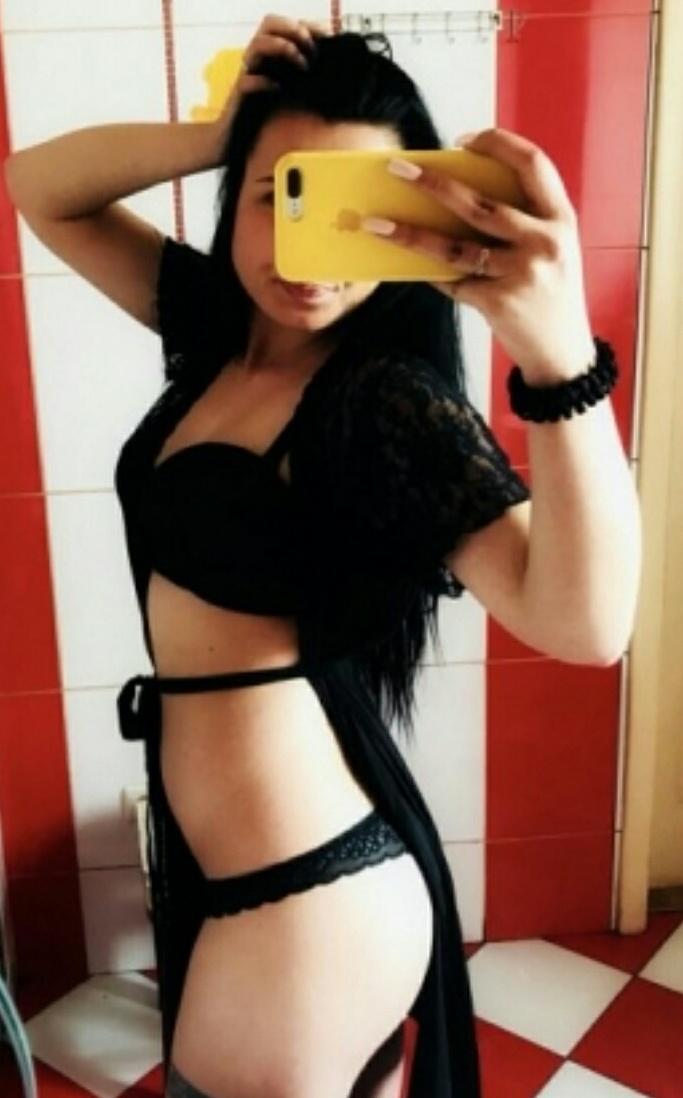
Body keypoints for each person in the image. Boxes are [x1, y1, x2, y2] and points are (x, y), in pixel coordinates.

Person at [6, 15, 550, 1098]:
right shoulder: (218, 330)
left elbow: (579, 620)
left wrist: (560, 353)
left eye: (360, 215)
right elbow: (39, 186)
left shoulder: (384, 400)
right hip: (253, 880)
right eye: (281, 196)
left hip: (309, 895)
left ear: (400, 230)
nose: (310, 252)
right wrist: (220, 132)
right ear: (236, 197)